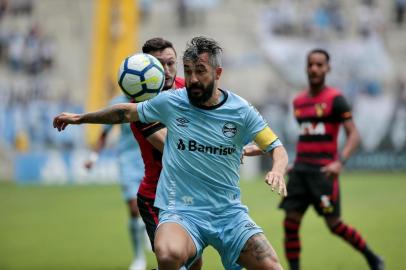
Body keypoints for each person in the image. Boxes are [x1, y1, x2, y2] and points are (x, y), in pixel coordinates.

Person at [53, 36, 288, 270]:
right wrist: (80, 118)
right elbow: (125, 113)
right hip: (180, 208)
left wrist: (276, 168)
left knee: (272, 266)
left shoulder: (241, 110)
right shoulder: (171, 101)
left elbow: (276, 147)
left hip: (228, 213)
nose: (193, 79)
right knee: (168, 255)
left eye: (200, 71)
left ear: (217, 73)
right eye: (188, 71)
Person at [279, 49, 384, 270]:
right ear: (306, 67)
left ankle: (372, 257)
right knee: (290, 224)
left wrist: (340, 161)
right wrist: (294, 162)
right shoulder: (298, 102)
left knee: (334, 225)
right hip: (299, 172)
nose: (314, 68)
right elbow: (307, 135)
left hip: (323, 174)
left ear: (328, 68)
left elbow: (354, 134)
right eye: (311, 64)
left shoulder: (335, 99)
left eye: (319, 64)